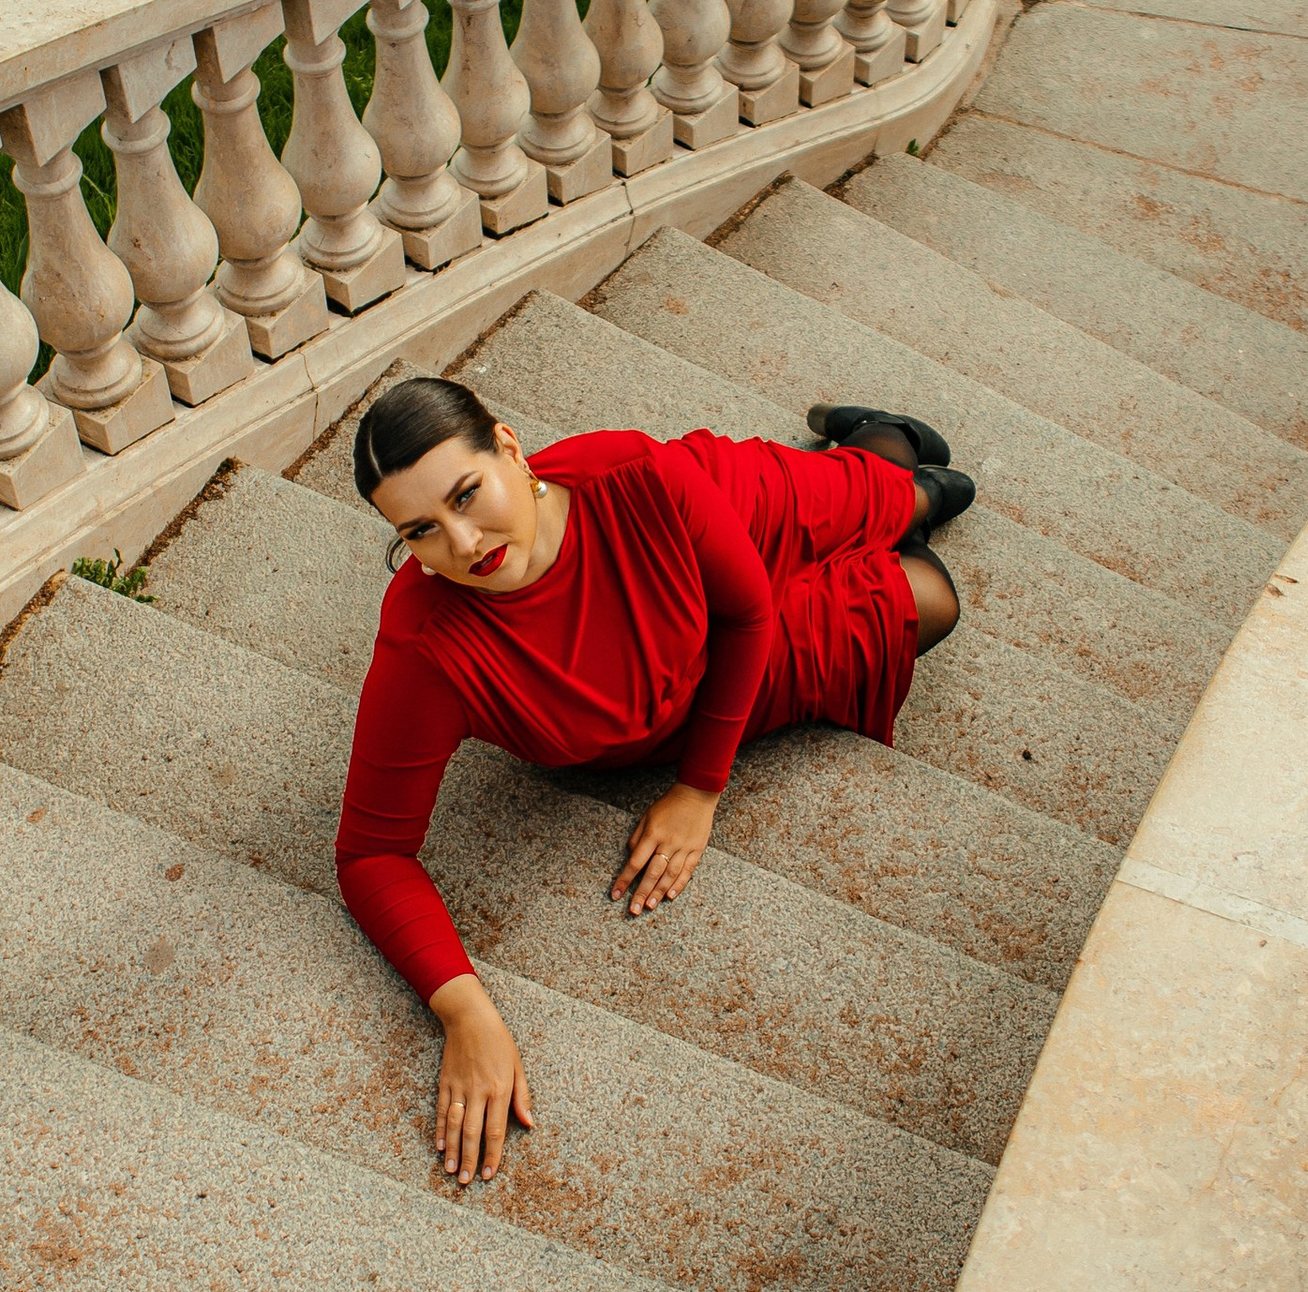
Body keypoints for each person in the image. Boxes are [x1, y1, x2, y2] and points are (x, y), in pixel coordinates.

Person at [336, 375, 972, 1183]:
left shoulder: (630, 472)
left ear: (507, 446)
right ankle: (865, 527)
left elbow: (746, 615)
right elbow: (370, 854)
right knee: (929, 599)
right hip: (683, 690)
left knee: (922, 497)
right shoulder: (425, 645)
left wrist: (701, 790)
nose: (463, 546)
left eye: (468, 494)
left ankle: (878, 443)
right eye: (421, 530)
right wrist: (465, 1010)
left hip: (719, 525)